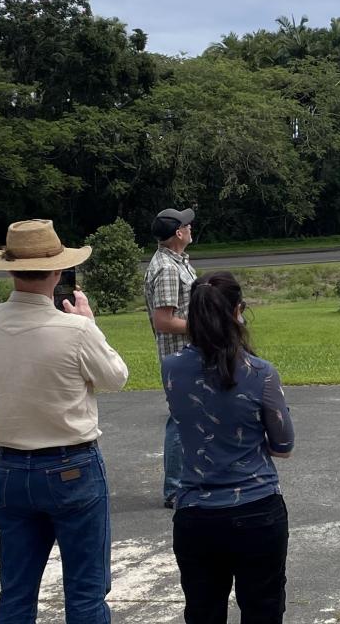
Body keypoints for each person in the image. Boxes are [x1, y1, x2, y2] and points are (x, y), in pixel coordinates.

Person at [0, 219, 131, 624]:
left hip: (10, 466)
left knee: (17, 593)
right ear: (57, 270)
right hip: (71, 464)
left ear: (9, 269)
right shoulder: (75, 329)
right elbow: (115, 378)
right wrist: (90, 323)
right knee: (86, 592)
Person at [163, 272, 294, 623]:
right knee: (263, 609)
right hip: (257, 509)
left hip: (195, 513)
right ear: (238, 311)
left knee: (203, 611)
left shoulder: (171, 369)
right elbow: (284, 445)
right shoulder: (260, 372)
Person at [149, 206, 198, 508]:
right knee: (181, 420)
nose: (191, 228)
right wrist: (205, 326)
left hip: (187, 352)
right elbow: (163, 321)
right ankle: (175, 489)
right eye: (187, 225)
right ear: (178, 233)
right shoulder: (167, 269)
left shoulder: (177, 262)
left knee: (188, 418)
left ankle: (186, 481)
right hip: (179, 356)